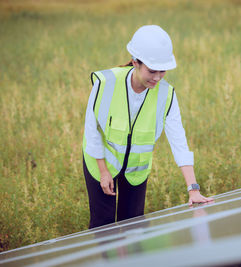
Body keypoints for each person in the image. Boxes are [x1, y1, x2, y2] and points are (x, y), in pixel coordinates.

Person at [82, 25, 213, 229]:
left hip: (136, 169)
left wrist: (193, 189)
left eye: (163, 71)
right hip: (101, 161)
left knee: (133, 226)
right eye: (152, 71)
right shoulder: (106, 83)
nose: (158, 77)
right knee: (103, 226)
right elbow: (92, 130)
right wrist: (103, 171)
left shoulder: (166, 95)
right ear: (135, 62)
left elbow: (178, 139)